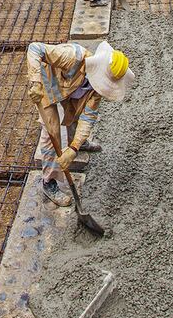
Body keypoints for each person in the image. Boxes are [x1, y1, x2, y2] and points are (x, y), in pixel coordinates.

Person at [26, 40, 135, 207]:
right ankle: (49, 182)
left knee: (75, 116)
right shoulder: (73, 56)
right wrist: (36, 83)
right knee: (51, 132)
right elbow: (35, 48)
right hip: (46, 85)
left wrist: (74, 148)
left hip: (69, 90)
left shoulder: (95, 91)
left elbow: (88, 117)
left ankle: (79, 143)